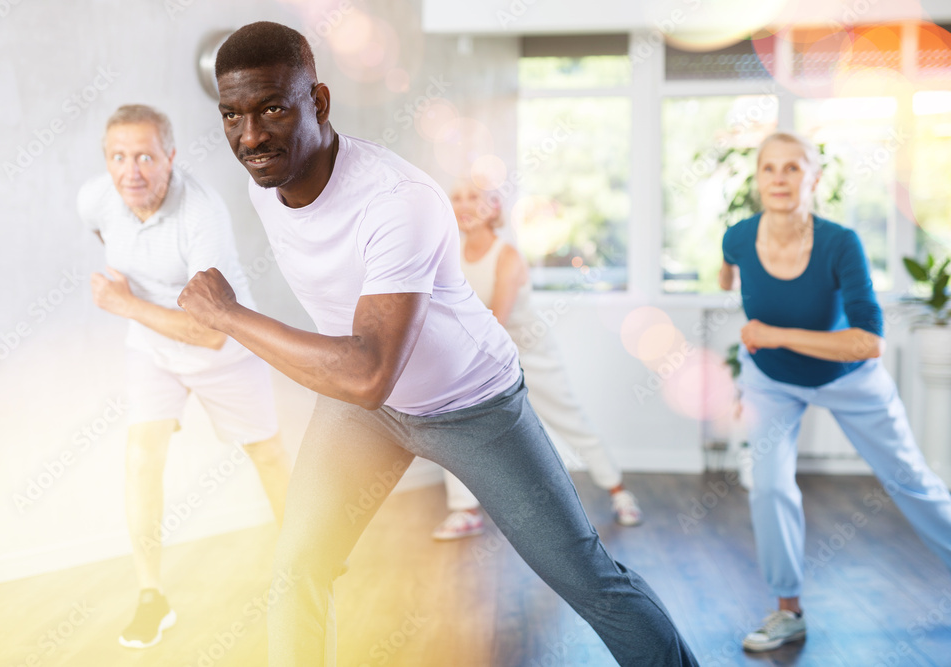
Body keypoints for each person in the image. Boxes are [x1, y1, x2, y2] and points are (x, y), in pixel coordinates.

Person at [176, 21, 699, 667]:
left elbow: (369, 371)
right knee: (297, 566)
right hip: (367, 412)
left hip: (472, 404)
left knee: (588, 577)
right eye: (233, 114)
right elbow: (368, 386)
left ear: (320, 101)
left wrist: (229, 315)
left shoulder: (399, 200)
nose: (250, 136)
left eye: (273, 108)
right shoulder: (269, 182)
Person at [720, 130, 951, 652]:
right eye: (769, 169)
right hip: (772, 381)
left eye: (793, 168)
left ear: (814, 178)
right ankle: (788, 610)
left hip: (850, 380)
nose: (780, 179)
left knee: (910, 479)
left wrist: (772, 333)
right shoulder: (737, 237)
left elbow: (869, 342)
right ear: (758, 180)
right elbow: (729, 267)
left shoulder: (839, 243)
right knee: (770, 485)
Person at [77, 104, 291, 649]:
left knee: (266, 455)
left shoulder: (202, 215)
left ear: (170, 157)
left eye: (146, 156)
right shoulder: (96, 199)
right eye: (119, 157)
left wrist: (126, 305)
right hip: (153, 350)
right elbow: (112, 241)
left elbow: (212, 331)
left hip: (223, 349)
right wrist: (141, 306)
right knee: (141, 457)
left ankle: (304, 572)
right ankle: (152, 597)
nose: (133, 171)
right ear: (107, 161)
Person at [430, 182, 642, 540]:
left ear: (493, 208)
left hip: (528, 352)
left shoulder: (507, 255)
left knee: (569, 418)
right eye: (457, 197)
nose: (463, 204)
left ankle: (620, 493)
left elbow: (494, 320)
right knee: (454, 419)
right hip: (481, 357)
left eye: (474, 197)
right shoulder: (453, 254)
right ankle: (464, 510)